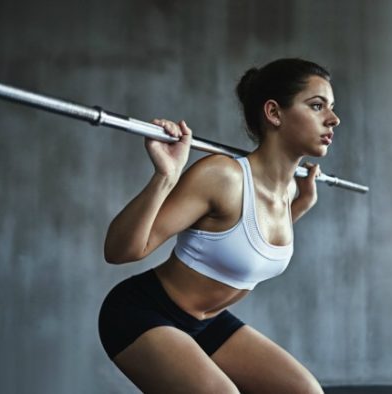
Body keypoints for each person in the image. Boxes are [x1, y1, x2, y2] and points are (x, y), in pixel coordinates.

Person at [98, 58, 340, 393]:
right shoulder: (222, 176)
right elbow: (120, 251)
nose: (333, 119)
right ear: (274, 113)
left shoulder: (288, 192)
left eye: (331, 107)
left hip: (207, 323)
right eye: (317, 106)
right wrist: (165, 176)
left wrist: (299, 206)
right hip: (143, 313)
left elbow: (247, 243)